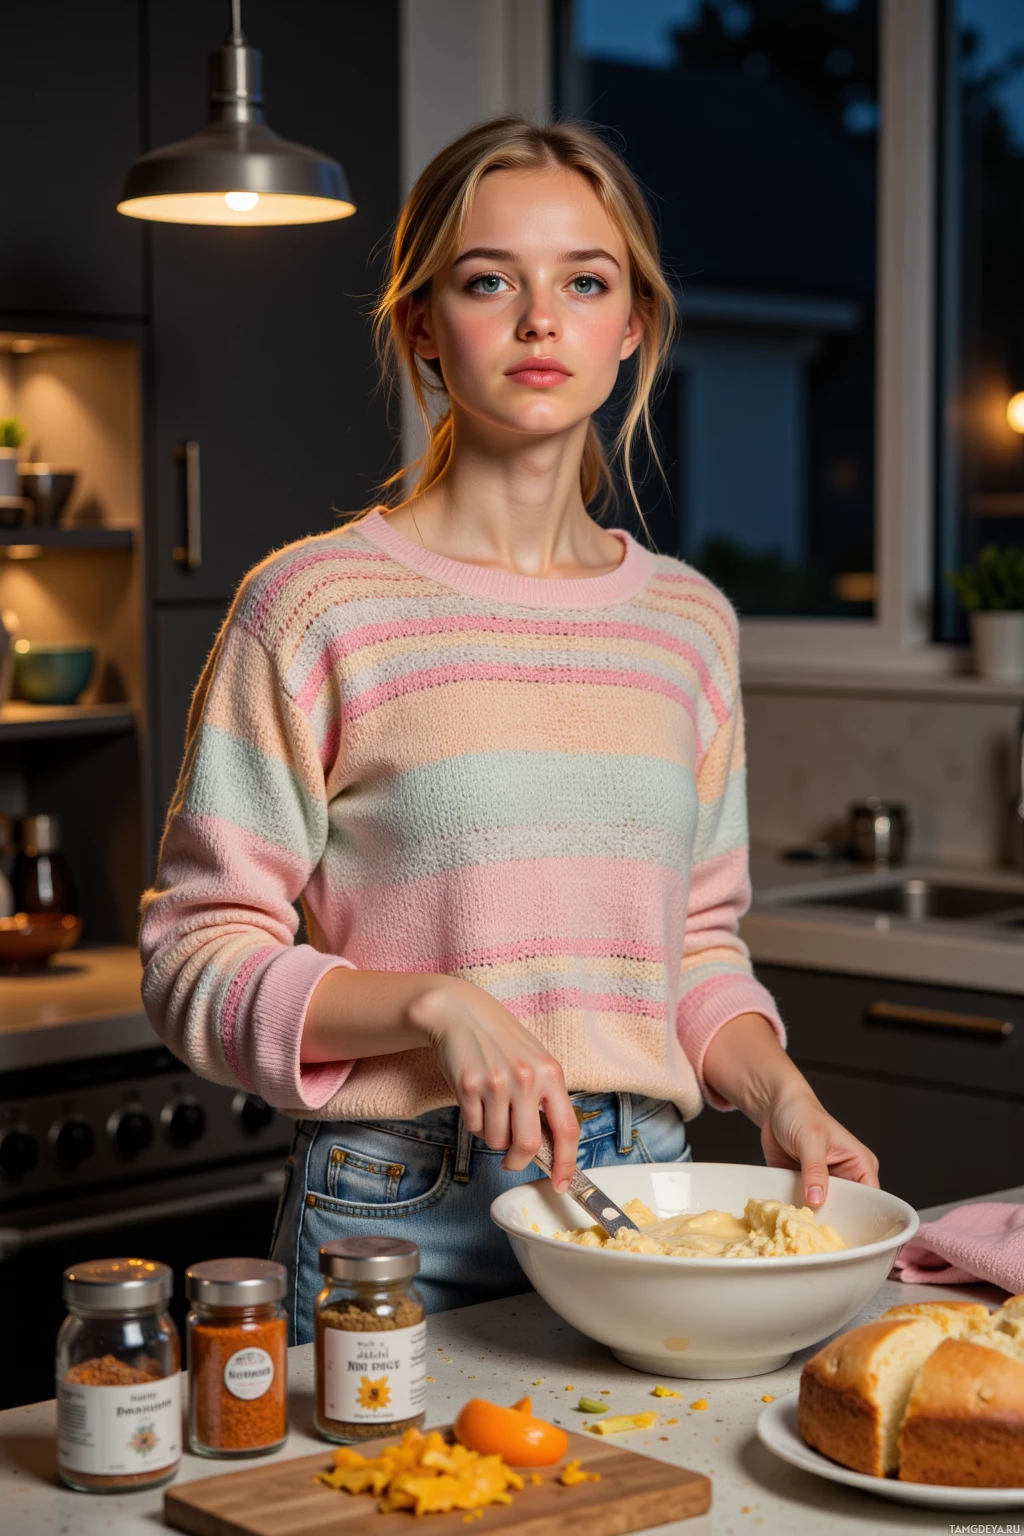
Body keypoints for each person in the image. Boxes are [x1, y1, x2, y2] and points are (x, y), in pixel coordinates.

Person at [139, 114, 879, 1340]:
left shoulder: (685, 623)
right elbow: (192, 958)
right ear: (424, 324)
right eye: (491, 281)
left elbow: (693, 949)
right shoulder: (316, 606)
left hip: (648, 1197)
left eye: (584, 282)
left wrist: (780, 1092)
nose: (542, 321)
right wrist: (433, 1005)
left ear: (629, 325)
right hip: (394, 1211)